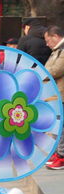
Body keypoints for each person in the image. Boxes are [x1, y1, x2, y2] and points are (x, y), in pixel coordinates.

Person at [44, 26, 64, 170]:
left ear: (55, 36)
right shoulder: (57, 51)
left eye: (48, 40)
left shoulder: (62, 51)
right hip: (56, 94)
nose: (46, 44)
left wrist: (40, 71)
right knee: (57, 124)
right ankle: (57, 153)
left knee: (61, 125)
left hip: (61, 94)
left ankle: (61, 156)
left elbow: (57, 70)